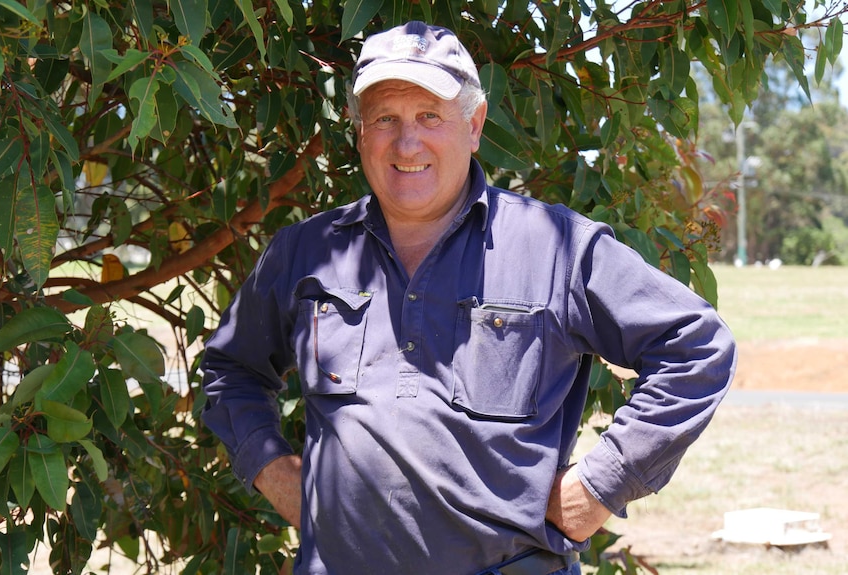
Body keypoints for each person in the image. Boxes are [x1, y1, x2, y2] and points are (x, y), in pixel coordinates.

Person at [201, 20, 737, 575]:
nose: (407, 142)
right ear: (360, 132)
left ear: (475, 124)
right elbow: (228, 370)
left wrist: (601, 485)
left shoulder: (556, 248)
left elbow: (695, 347)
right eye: (386, 118)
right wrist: (273, 472)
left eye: (430, 116)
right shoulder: (306, 253)